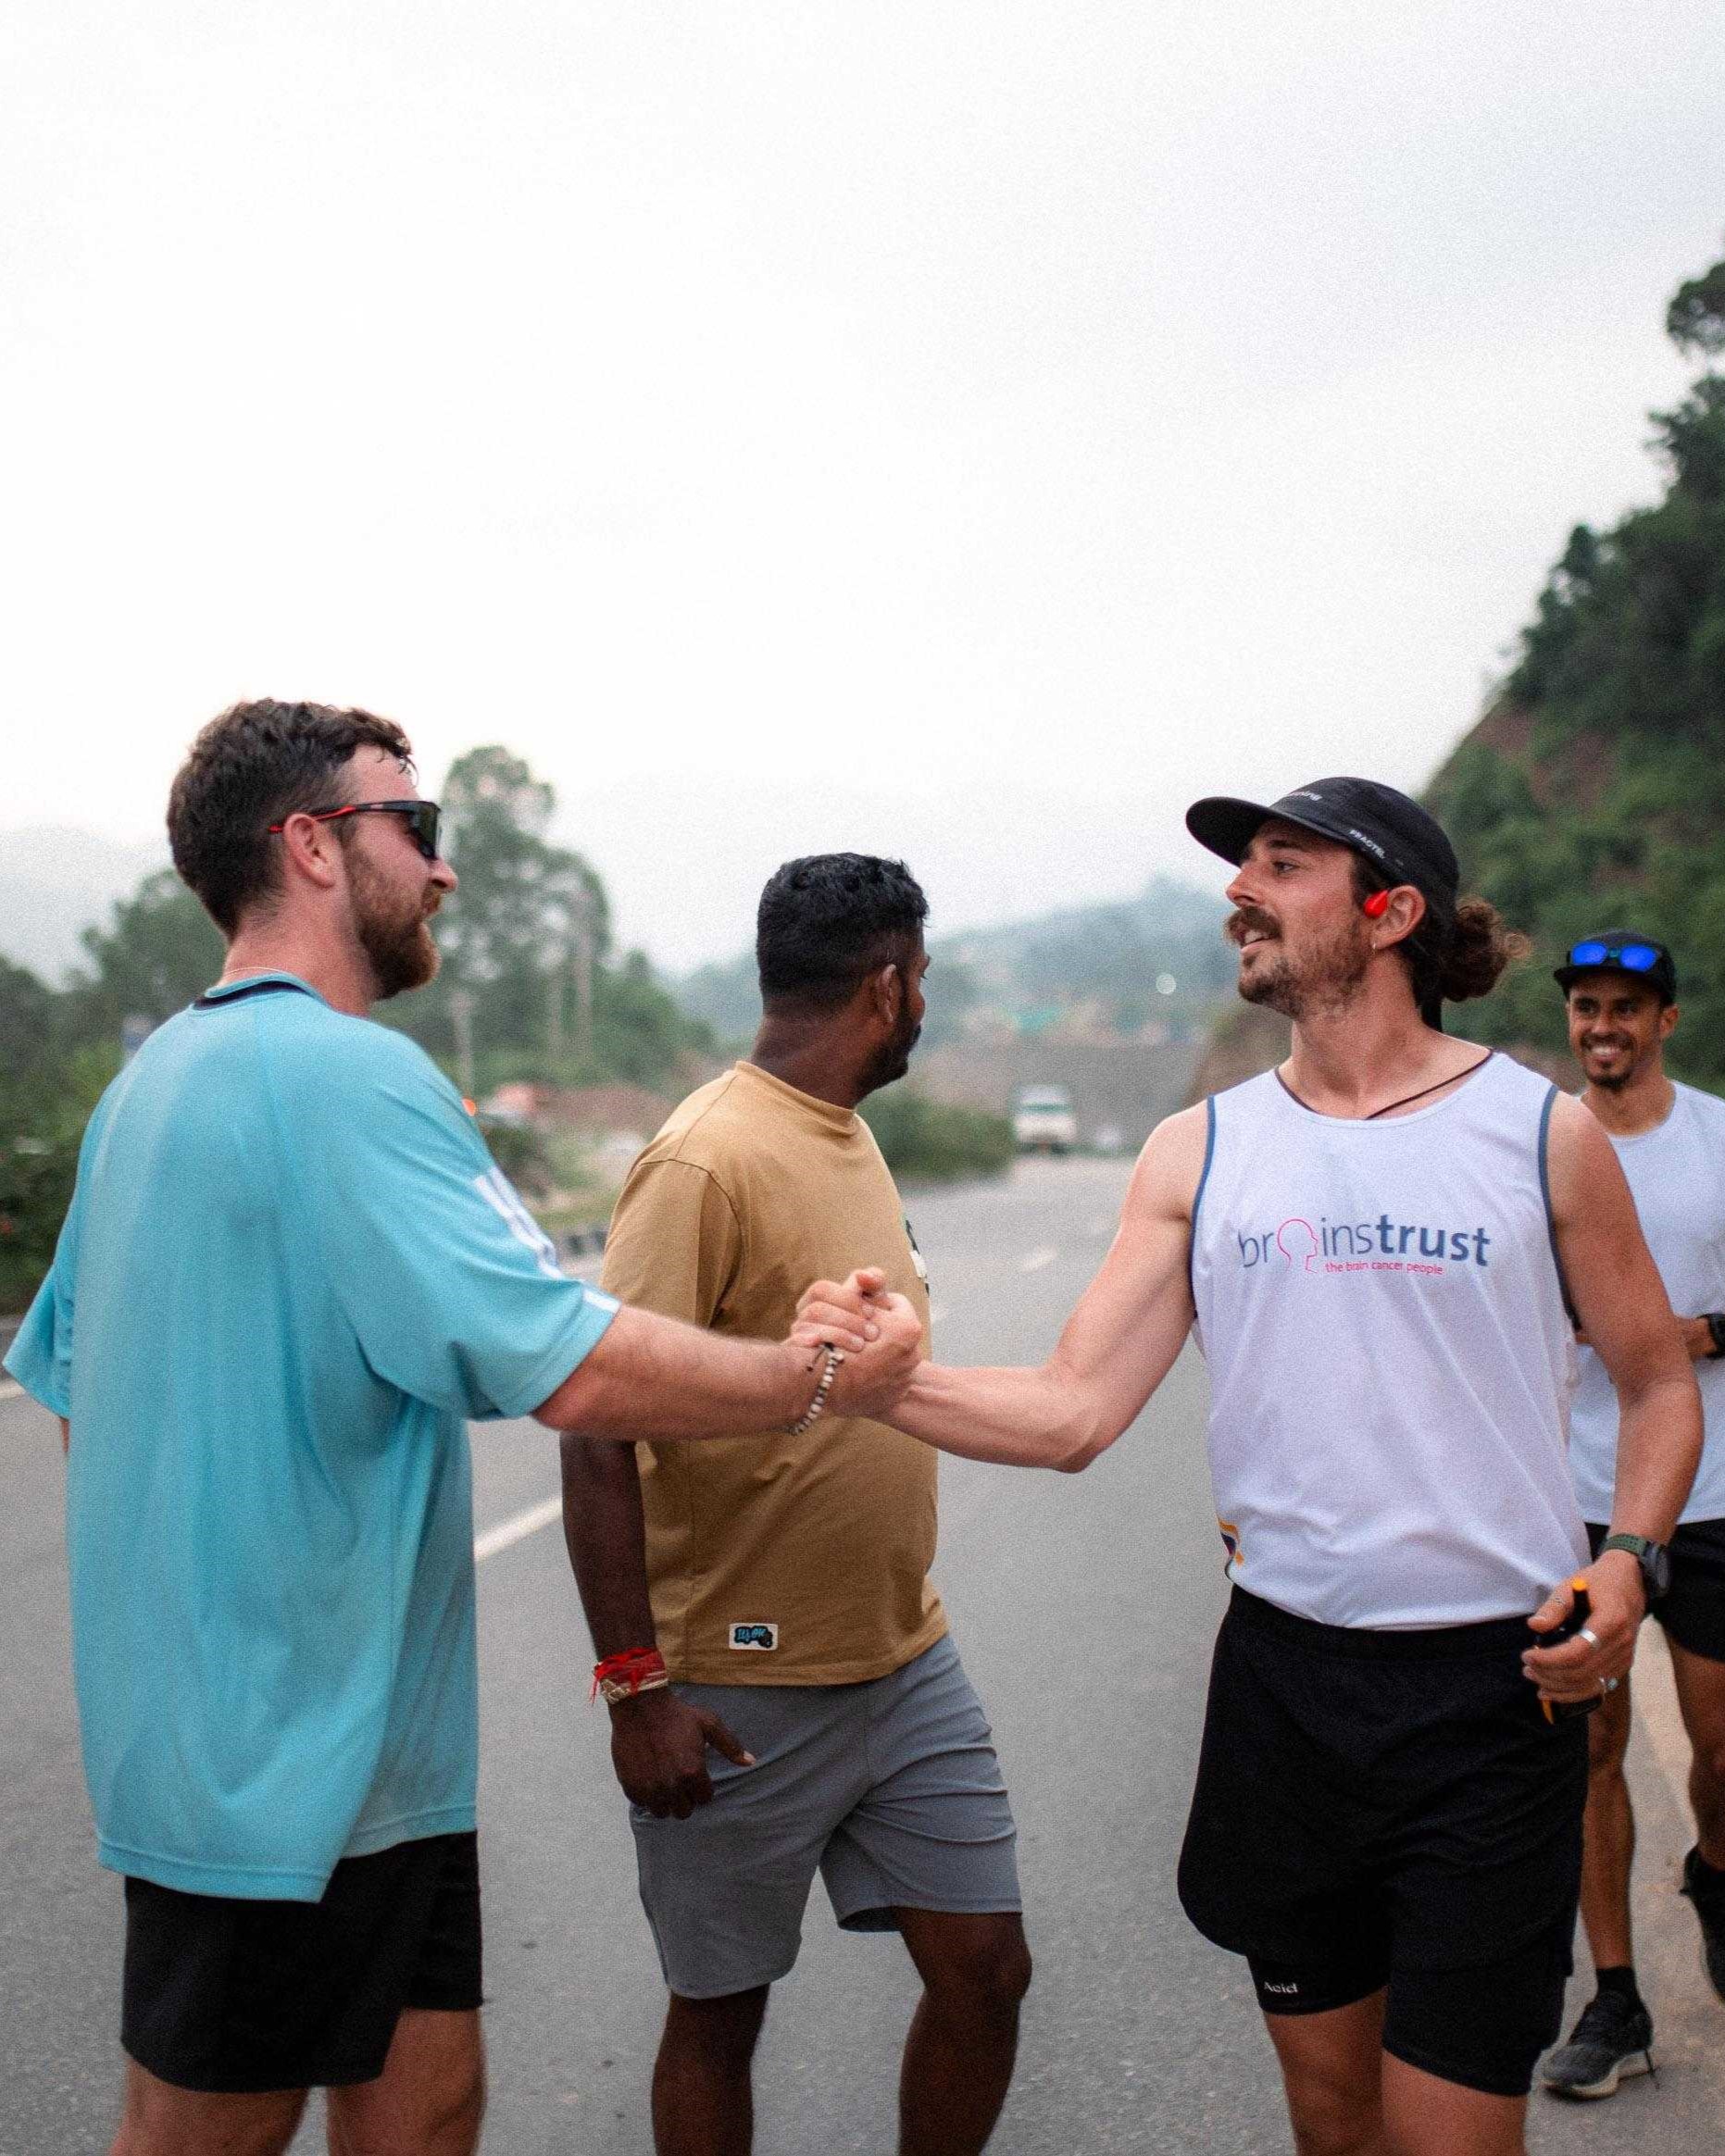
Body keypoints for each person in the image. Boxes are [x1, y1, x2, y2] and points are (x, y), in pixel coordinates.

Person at [2, 704, 921, 2156]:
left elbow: (68, 1385)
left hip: (351, 1762)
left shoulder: (145, 1088)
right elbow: (573, 1368)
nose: (441, 873)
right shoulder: (351, 1079)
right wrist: (809, 1375)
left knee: (428, 2110)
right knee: (199, 2132)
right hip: (277, 1770)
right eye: (414, 831)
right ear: (309, 845)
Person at [806, 779, 1703, 2156]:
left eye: (1282, 866)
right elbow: (1070, 1408)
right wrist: (890, 1383)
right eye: (1245, 868)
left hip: (1489, 1693)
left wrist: (1627, 1559)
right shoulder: (1202, 1148)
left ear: (1388, 912)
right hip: (1288, 1692)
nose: (1240, 889)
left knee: (1449, 2132)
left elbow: (1652, 1382)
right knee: (1332, 2120)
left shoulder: (1539, 1135)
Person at [561, 853, 1030, 2156]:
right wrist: (635, 1686)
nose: (920, 1003)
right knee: (718, 2013)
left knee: (985, 1969)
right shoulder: (702, 1159)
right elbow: (595, 1427)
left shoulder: (846, 1131)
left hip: (900, 1656)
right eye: (921, 979)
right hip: (736, 1686)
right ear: (887, 987)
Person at [1538, 932, 1725, 2100]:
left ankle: (1714, 1870)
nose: (1603, 1026)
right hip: (1569, 1493)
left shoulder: (1716, 1136)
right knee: (1589, 1749)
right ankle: (1615, 1997)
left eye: (1625, 1008)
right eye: (1586, 1007)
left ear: (1663, 1019)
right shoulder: (1540, 1146)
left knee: (1724, 1745)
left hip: (1710, 1487)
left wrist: (1670, 1341)